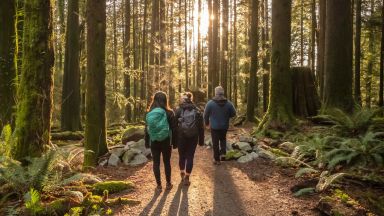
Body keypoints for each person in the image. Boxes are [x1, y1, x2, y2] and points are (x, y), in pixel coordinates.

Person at [145, 91, 177, 191]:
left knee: (156, 163)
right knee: (167, 162)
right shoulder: (170, 112)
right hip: (166, 141)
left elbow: (146, 129)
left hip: (154, 141)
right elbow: (174, 128)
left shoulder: (149, 113)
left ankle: (158, 186)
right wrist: (175, 143)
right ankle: (168, 184)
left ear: (154, 100)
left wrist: (147, 143)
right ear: (165, 100)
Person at [175, 92, 204, 186]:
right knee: (190, 156)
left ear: (183, 99)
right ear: (191, 99)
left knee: (182, 156)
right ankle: (187, 177)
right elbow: (201, 127)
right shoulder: (197, 110)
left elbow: (174, 126)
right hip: (193, 136)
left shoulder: (178, 110)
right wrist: (201, 141)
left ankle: (182, 173)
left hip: (181, 136)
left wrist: (174, 141)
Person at [204, 86, 236, 165]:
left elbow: (205, 115)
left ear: (216, 93)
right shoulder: (228, 103)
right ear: (223, 93)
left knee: (215, 142)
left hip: (214, 126)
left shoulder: (210, 103)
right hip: (224, 126)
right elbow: (233, 114)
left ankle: (217, 159)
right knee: (223, 139)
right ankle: (223, 154)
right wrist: (227, 115)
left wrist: (207, 123)